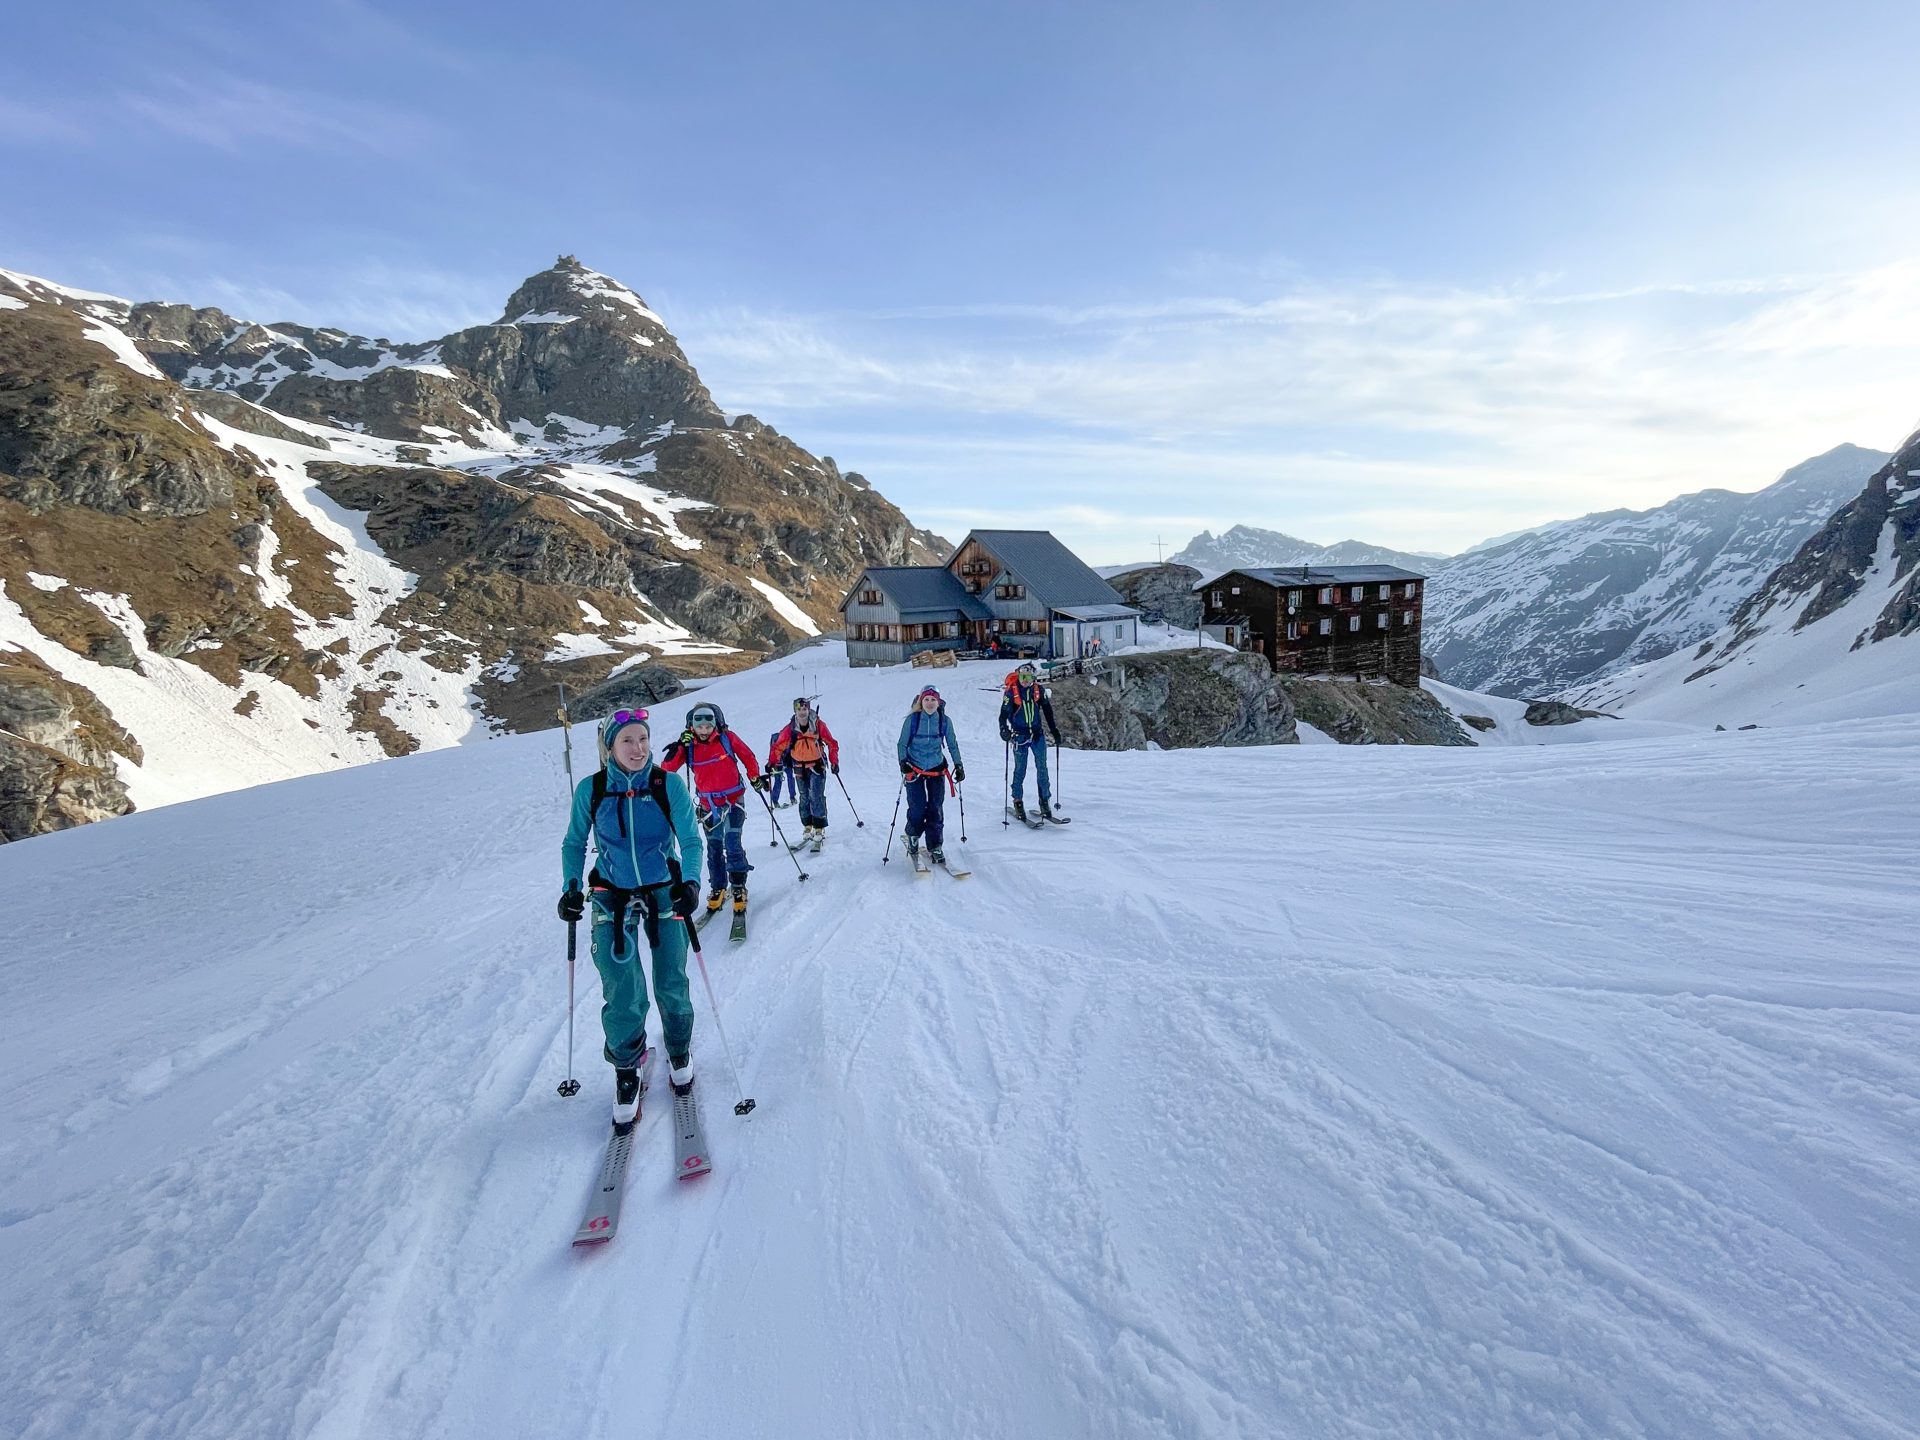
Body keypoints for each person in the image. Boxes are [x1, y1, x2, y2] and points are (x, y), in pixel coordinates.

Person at [558, 708, 705, 1128]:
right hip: (612, 893)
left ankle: (679, 1048)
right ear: (610, 746)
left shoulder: (667, 784)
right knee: (622, 987)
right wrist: (571, 887)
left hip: (664, 887)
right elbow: (573, 842)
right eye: (627, 740)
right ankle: (627, 1068)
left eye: (643, 739)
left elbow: (690, 839)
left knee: (671, 980)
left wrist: (690, 882)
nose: (638, 748)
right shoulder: (593, 789)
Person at [661, 701, 767, 919]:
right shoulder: (688, 746)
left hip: (733, 801)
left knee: (733, 843)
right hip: (709, 806)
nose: (704, 730)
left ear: (715, 723)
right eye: (699, 726)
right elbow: (666, 771)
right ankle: (718, 886)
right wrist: (679, 747)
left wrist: (754, 776)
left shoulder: (727, 738)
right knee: (714, 848)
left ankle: (738, 885)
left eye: (708, 725)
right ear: (692, 726)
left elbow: (747, 756)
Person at [896, 684, 964, 865]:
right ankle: (913, 835)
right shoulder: (912, 720)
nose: (930, 703)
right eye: (926, 699)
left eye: (933, 699)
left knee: (935, 808)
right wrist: (903, 763)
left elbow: (952, 744)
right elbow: (902, 744)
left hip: (936, 769)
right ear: (921, 701)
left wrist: (958, 765)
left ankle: (935, 845)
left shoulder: (944, 721)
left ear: (938, 702)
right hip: (914, 769)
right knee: (917, 807)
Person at [768, 696, 841, 847]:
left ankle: (819, 826)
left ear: (809, 709)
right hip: (799, 767)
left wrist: (834, 762)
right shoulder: (790, 728)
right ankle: (807, 825)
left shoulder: (818, 724)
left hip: (817, 766)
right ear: (794, 710)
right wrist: (772, 763)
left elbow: (832, 743)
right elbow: (778, 746)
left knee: (816, 795)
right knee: (804, 797)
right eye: (799, 709)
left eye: (805, 709)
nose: (802, 712)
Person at [1000, 661, 1062, 822]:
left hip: (1037, 735)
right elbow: (1003, 714)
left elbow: (1048, 712)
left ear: (1033, 677)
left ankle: (1044, 801)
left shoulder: (1038, 691)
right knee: (1020, 769)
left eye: (1028, 676)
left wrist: (1054, 730)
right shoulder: (1011, 692)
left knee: (1042, 767)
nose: (1025, 680)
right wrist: (1003, 729)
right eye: (1022, 676)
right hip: (1019, 736)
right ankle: (1017, 801)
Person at [766, 727, 796, 808]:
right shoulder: (779, 741)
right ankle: (789, 798)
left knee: (783, 778)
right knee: (783, 779)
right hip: (779, 762)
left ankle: (778, 800)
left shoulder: (788, 739)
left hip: (786, 760)